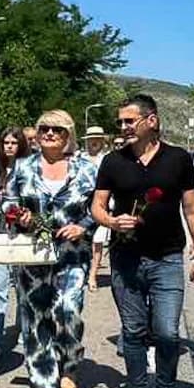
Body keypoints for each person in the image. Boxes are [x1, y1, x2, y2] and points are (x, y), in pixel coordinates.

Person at [92, 94, 194, 388]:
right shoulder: (113, 162)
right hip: (126, 260)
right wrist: (112, 222)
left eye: (130, 121)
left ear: (152, 121)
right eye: (121, 122)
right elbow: (97, 206)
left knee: (167, 333)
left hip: (168, 259)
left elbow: (192, 209)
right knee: (132, 332)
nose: (124, 128)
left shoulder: (178, 159)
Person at [2, 110, 98, 388]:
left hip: (72, 255)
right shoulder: (23, 166)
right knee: (35, 316)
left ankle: (69, 366)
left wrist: (82, 227)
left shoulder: (86, 169)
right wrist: (20, 216)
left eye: (57, 129)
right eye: (44, 128)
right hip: (32, 255)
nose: (50, 133)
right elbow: (7, 202)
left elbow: (98, 208)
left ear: (68, 134)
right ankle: (42, 375)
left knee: (68, 311)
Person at [0, 127, 30, 359]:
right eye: (6, 142)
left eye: (14, 142)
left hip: (23, 233)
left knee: (24, 286)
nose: (10, 146)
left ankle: (25, 330)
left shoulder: (31, 168)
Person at [83, 125, 112, 291]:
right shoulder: (78, 159)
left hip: (101, 205)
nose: (94, 142)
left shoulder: (108, 159)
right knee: (82, 242)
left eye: (97, 139)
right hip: (81, 207)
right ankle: (82, 272)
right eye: (91, 139)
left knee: (97, 242)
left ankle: (93, 276)